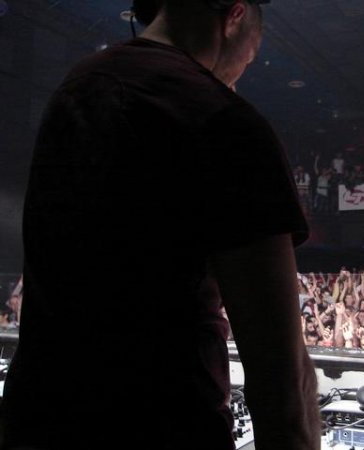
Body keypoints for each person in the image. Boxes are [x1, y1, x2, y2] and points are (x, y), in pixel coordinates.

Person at [0, 1, 321, 449]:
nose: (240, 74)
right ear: (235, 16)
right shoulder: (223, 118)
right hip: (166, 427)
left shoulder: (73, 90)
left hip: (37, 424)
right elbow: (281, 374)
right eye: (250, 58)